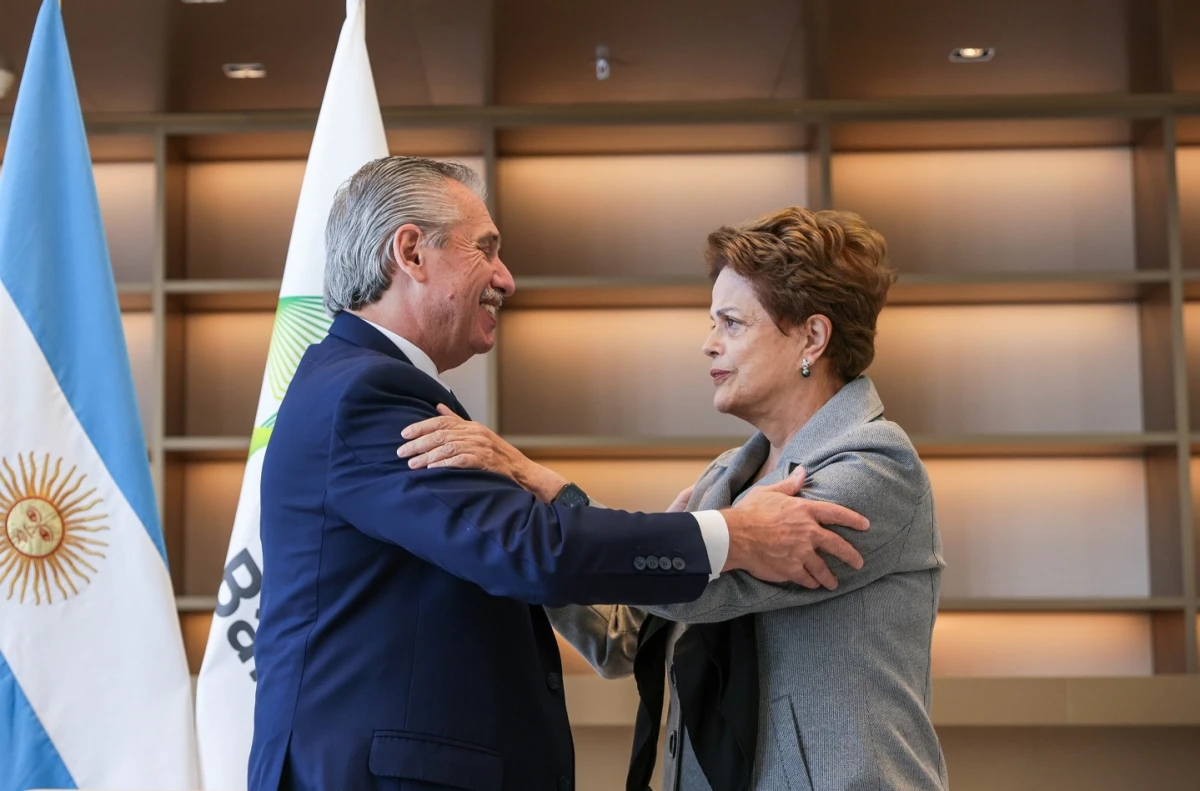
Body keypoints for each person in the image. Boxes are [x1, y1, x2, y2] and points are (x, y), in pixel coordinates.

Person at [248, 158, 872, 791]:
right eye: (485, 250)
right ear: (411, 252)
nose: (506, 279)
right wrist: (733, 536)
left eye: (732, 323)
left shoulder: (868, 463)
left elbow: (536, 558)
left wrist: (540, 482)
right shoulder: (367, 393)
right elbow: (528, 552)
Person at [398, 207, 949, 790]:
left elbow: (698, 593)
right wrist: (526, 506)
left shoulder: (874, 467)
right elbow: (624, 638)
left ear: (812, 336)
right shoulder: (722, 482)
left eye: (732, 324)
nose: (709, 345)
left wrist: (557, 494)